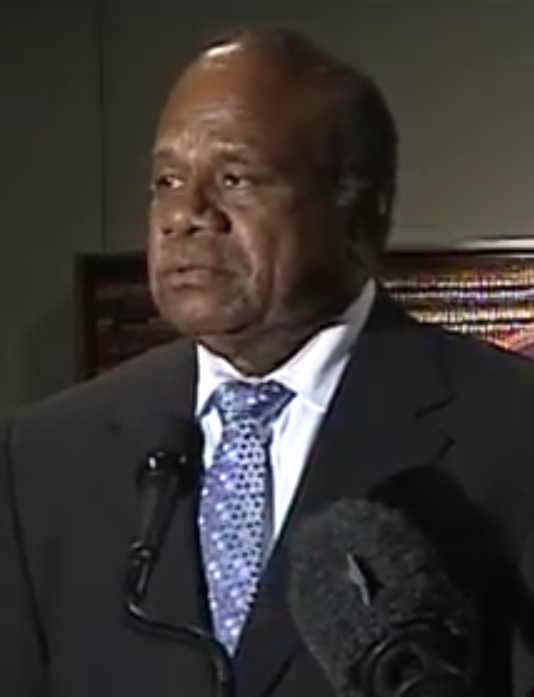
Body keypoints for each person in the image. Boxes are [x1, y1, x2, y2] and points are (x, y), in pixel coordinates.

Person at [1, 26, 533, 697]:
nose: (183, 215)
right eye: (166, 181)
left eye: (234, 178)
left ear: (361, 215)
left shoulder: (513, 430)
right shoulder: (45, 456)